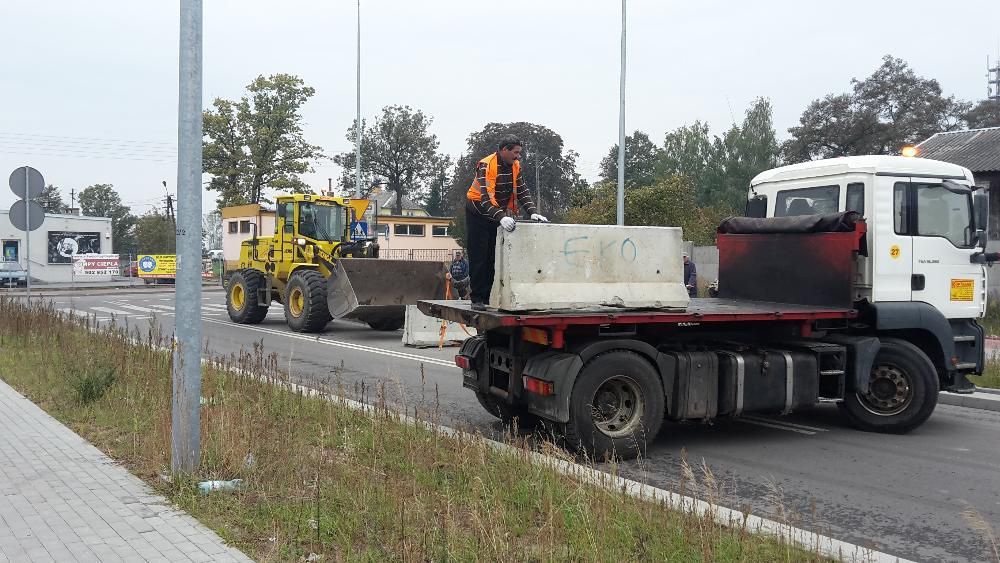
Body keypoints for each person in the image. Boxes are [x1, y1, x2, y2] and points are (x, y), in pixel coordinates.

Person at [465, 136, 548, 310]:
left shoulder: (515, 166)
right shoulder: (486, 166)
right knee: (479, 256)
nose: (518, 156)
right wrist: (501, 217)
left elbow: (522, 190)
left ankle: (487, 298)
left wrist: (533, 212)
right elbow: (486, 198)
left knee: (492, 259)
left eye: (519, 152)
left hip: (496, 215)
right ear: (504, 150)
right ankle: (477, 298)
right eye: (515, 152)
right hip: (478, 212)